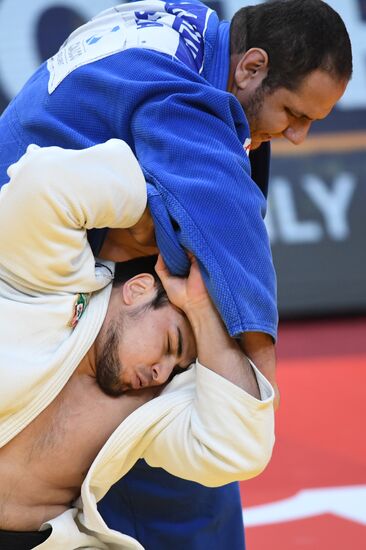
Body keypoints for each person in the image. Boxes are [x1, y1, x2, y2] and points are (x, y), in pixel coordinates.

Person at [0, 0, 352, 547]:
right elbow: (234, 231)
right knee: (184, 475)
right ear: (251, 67)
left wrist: (152, 224)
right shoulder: (181, 96)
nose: (299, 136)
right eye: (295, 114)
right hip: (40, 268)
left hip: (62, 248)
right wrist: (259, 376)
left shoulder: (186, 33)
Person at [0, 139, 274, 549]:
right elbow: (44, 182)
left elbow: (241, 449)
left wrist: (199, 309)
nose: (162, 372)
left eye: (179, 366)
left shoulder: (155, 403)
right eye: (170, 343)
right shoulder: (48, 281)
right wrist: (155, 218)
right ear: (139, 288)